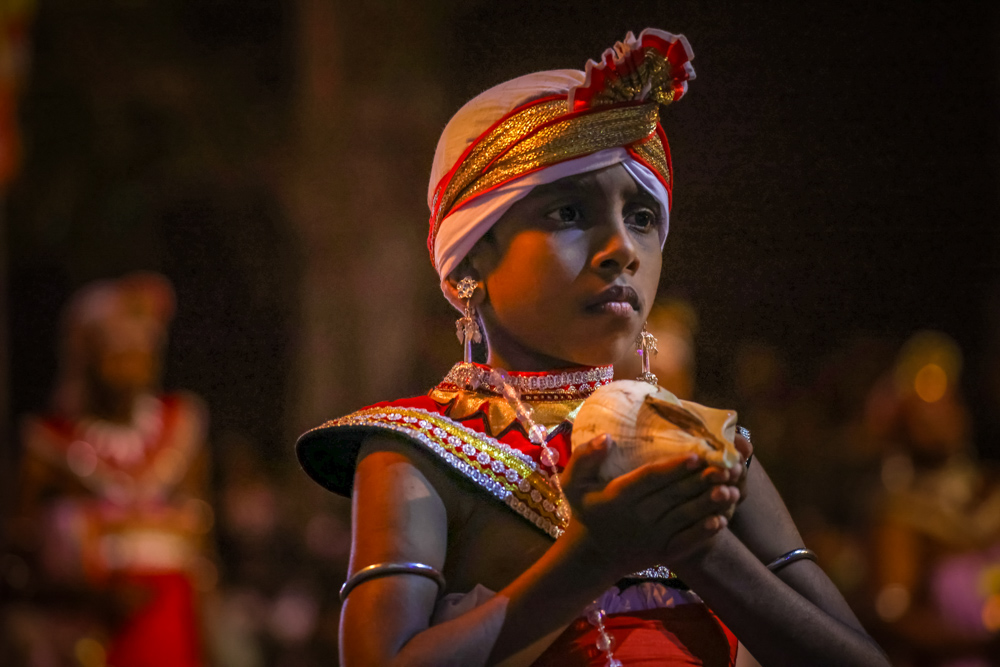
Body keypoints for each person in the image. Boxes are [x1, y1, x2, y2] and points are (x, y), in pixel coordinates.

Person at [297, 29, 888, 666]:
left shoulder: (708, 449)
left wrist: (702, 549)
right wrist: (595, 555)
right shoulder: (416, 450)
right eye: (569, 213)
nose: (623, 250)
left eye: (641, 217)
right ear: (471, 259)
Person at [9, 272, 212, 667]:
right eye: (117, 353)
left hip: (173, 626)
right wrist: (86, 596)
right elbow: (18, 557)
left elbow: (203, 549)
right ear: (86, 356)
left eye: (142, 351)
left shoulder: (180, 428)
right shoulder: (49, 445)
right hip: (84, 639)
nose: (131, 366)